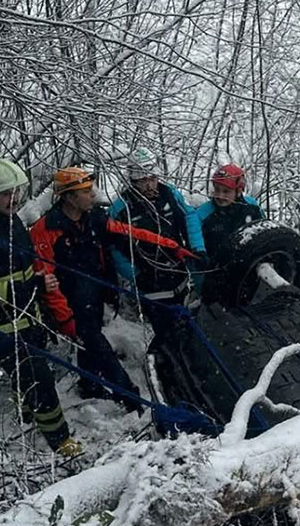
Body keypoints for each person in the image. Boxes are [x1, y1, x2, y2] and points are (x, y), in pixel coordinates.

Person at [30, 165, 196, 412]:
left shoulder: (94, 218)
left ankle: (89, 384)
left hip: (94, 293)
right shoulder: (46, 230)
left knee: (91, 339)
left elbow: (131, 234)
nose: (93, 196)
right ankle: (133, 399)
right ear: (69, 197)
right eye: (86, 192)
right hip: (69, 301)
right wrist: (64, 318)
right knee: (98, 345)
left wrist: (171, 246)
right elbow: (47, 278)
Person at [0, 158, 82, 457]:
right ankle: (60, 441)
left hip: (26, 314)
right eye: (5, 194)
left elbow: (22, 270)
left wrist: (38, 286)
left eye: (17, 192)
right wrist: (36, 286)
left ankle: (27, 413)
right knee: (38, 376)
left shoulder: (12, 222)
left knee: (28, 375)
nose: (13, 199)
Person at [108, 149, 206, 383]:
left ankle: (190, 359)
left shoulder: (169, 194)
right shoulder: (122, 208)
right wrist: (133, 274)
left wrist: (197, 249)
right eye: (143, 181)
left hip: (178, 272)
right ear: (133, 181)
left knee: (187, 319)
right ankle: (169, 367)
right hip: (149, 280)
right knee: (165, 327)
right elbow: (114, 248)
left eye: (152, 178)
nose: (150, 185)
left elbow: (189, 218)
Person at [193, 163, 264, 303]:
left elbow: (264, 235)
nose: (220, 195)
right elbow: (196, 254)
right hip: (216, 277)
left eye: (226, 191)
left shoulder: (251, 208)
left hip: (247, 273)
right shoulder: (203, 214)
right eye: (217, 190)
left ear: (238, 191)